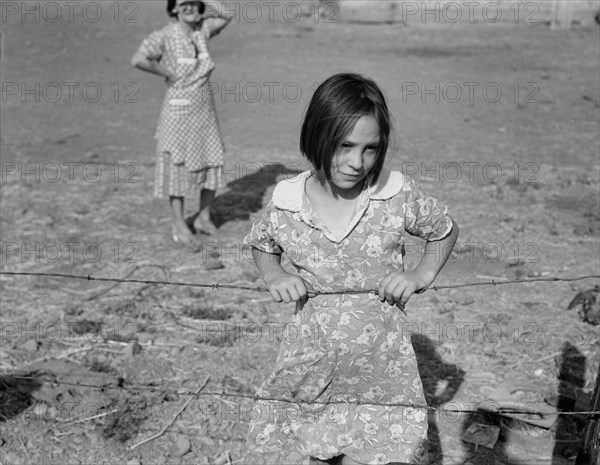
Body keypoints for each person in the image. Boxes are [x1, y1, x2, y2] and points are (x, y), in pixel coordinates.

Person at [243, 73, 459, 464]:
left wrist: (421, 274)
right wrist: (274, 274)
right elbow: (261, 243)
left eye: (370, 149)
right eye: (344, 146)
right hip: (313, 362)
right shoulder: (289, 202)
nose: (357, 162)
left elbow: (444, 229)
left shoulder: (394, 195)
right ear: (316, 135)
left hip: (382, 368)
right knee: (315, 451)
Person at [132, 0, 232, 250]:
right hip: (177, 111)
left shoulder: (202, 31)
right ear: (173, 8)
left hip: (204, 110)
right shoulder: (164, 35)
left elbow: (227, 14)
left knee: (211, 160)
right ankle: (178, 224)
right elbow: (138, 59)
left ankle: (203, 217)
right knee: (178, 168)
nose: (188, 7)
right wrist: (166, 71)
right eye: (182, 3)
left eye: (193, 3)